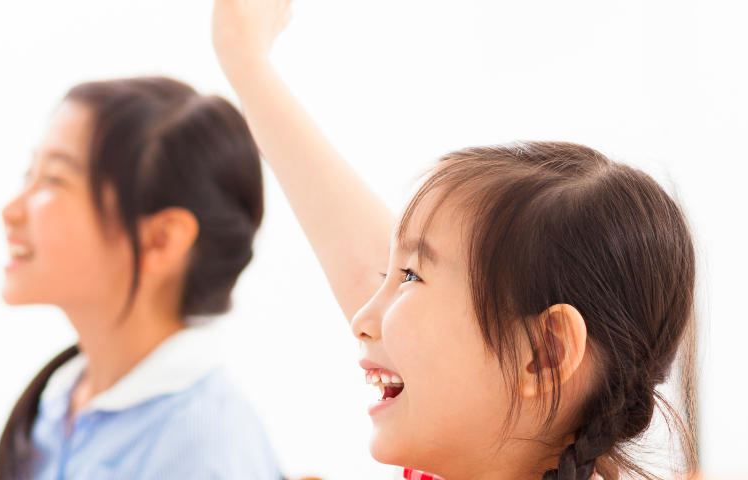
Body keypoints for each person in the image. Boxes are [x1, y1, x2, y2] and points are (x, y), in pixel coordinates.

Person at [210, 1, 698, 479]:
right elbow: (363, 263)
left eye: (410, 276)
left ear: (544, 352)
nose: (362, 319)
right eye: (395, 273)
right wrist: (245, 60)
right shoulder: (479, 448)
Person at [0, 77, 281, 480]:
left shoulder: (204, 447)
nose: (11, 210)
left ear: (160, 240)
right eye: (30, 173)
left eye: (54, 180)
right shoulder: (57, 401)